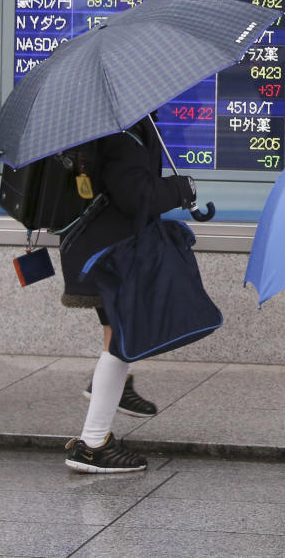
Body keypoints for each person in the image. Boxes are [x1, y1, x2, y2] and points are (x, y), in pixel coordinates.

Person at [59, 113, 196, 473]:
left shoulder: (113, 125)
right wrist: (183, 189)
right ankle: (92, 444)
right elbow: (137, 196)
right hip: (109, 254)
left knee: (118, 338)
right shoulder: (121, 133)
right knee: (120, 339)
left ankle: (104, 409)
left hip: (100, 250)